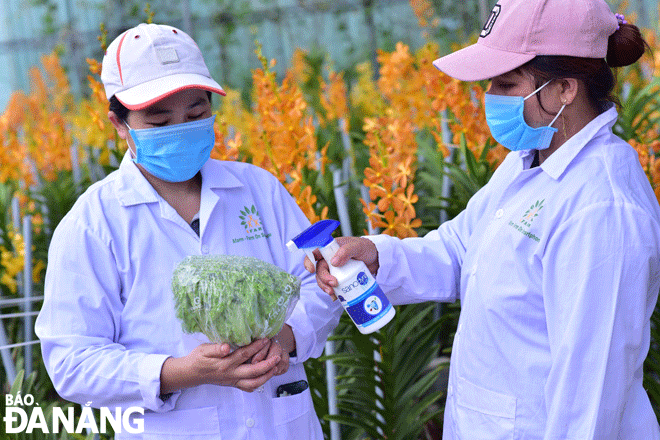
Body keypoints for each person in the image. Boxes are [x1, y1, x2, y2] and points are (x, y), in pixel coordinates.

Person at [310, 0, 660, 438]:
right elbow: (461, 248)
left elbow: (590, 395)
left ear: (565, 89)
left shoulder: (602, 207)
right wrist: (377, 256)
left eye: (506, 83)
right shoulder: (528, 161)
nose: (489, 97)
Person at [35, 23, 342, 440]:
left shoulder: (259, 188)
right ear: (119, 124)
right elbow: (72, 362)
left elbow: (320, 282)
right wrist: (179, 373)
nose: (181, 128)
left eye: (196, 114)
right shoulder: (94, 222)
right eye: (160, 122)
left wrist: (286, 338)